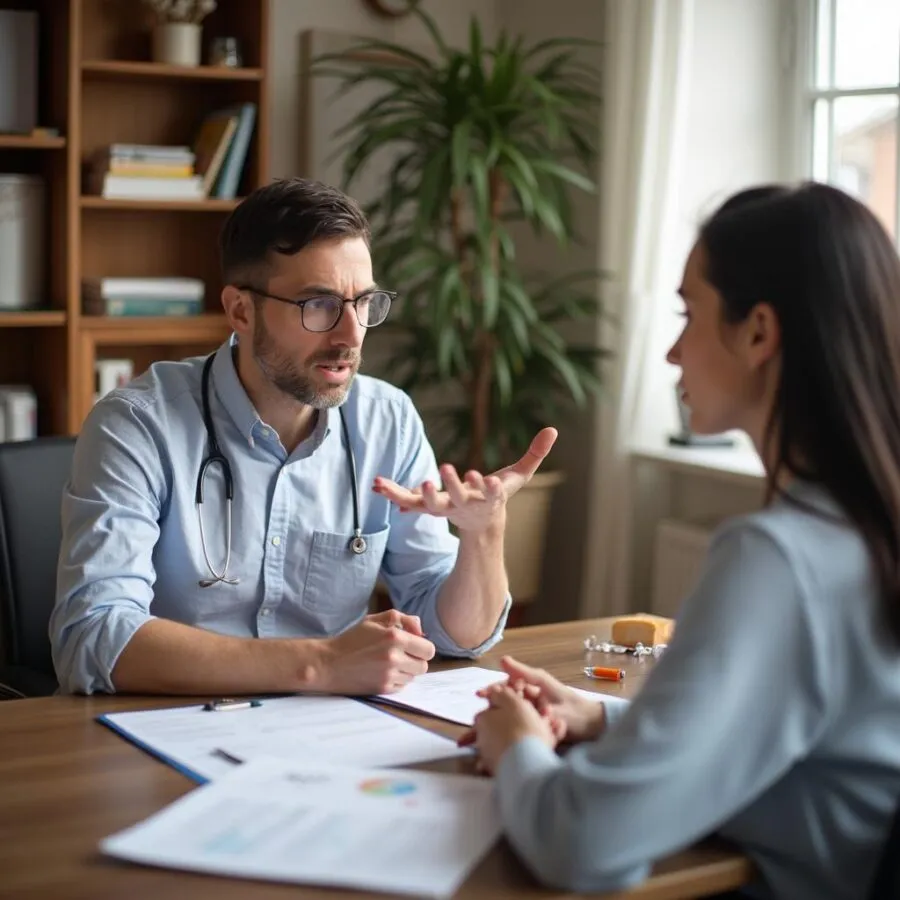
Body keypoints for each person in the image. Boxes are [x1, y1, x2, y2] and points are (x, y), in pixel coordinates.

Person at [465, 182, 900, 900]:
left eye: (687, 312)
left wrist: (515, 747)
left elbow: (581, 842)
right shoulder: (866, 524)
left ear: (759, 332)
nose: (671, 352)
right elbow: (810, 741)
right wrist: (602, 716)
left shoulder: (780, 558)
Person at [51, 177, 557, 697]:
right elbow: (92, 636)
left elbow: (454, 635)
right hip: (167, 730)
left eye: (363, 303)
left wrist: (483, 535)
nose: (351, 333)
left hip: (330, 734)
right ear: (241, 311)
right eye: (318, 305)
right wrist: (319, 664)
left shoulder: (388, 420)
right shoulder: (138, 424)